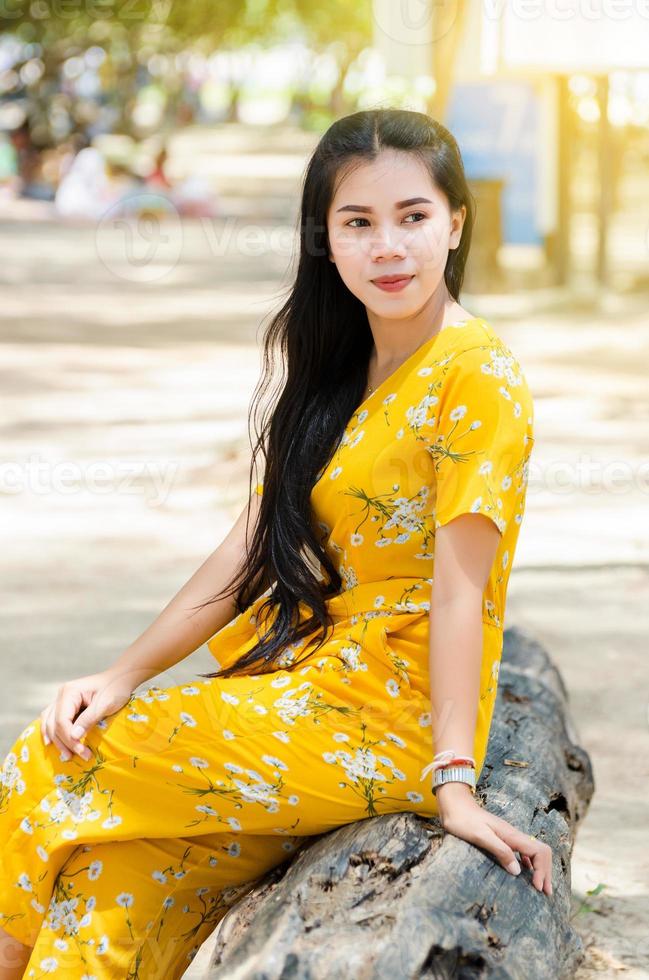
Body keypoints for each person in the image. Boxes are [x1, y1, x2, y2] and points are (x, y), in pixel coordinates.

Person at [0, 108, 551, 979]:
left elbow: (460, 595)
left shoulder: (475, 377)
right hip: (308, 688)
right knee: (111, 880)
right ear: (325, 242)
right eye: (358, 224)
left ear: (456, 222)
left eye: (412, 217)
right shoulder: (340, 372)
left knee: (53, 758)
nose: (389, 248)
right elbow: (251, 544)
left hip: (389, 722)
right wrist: (124, 671)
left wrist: (451, 780)